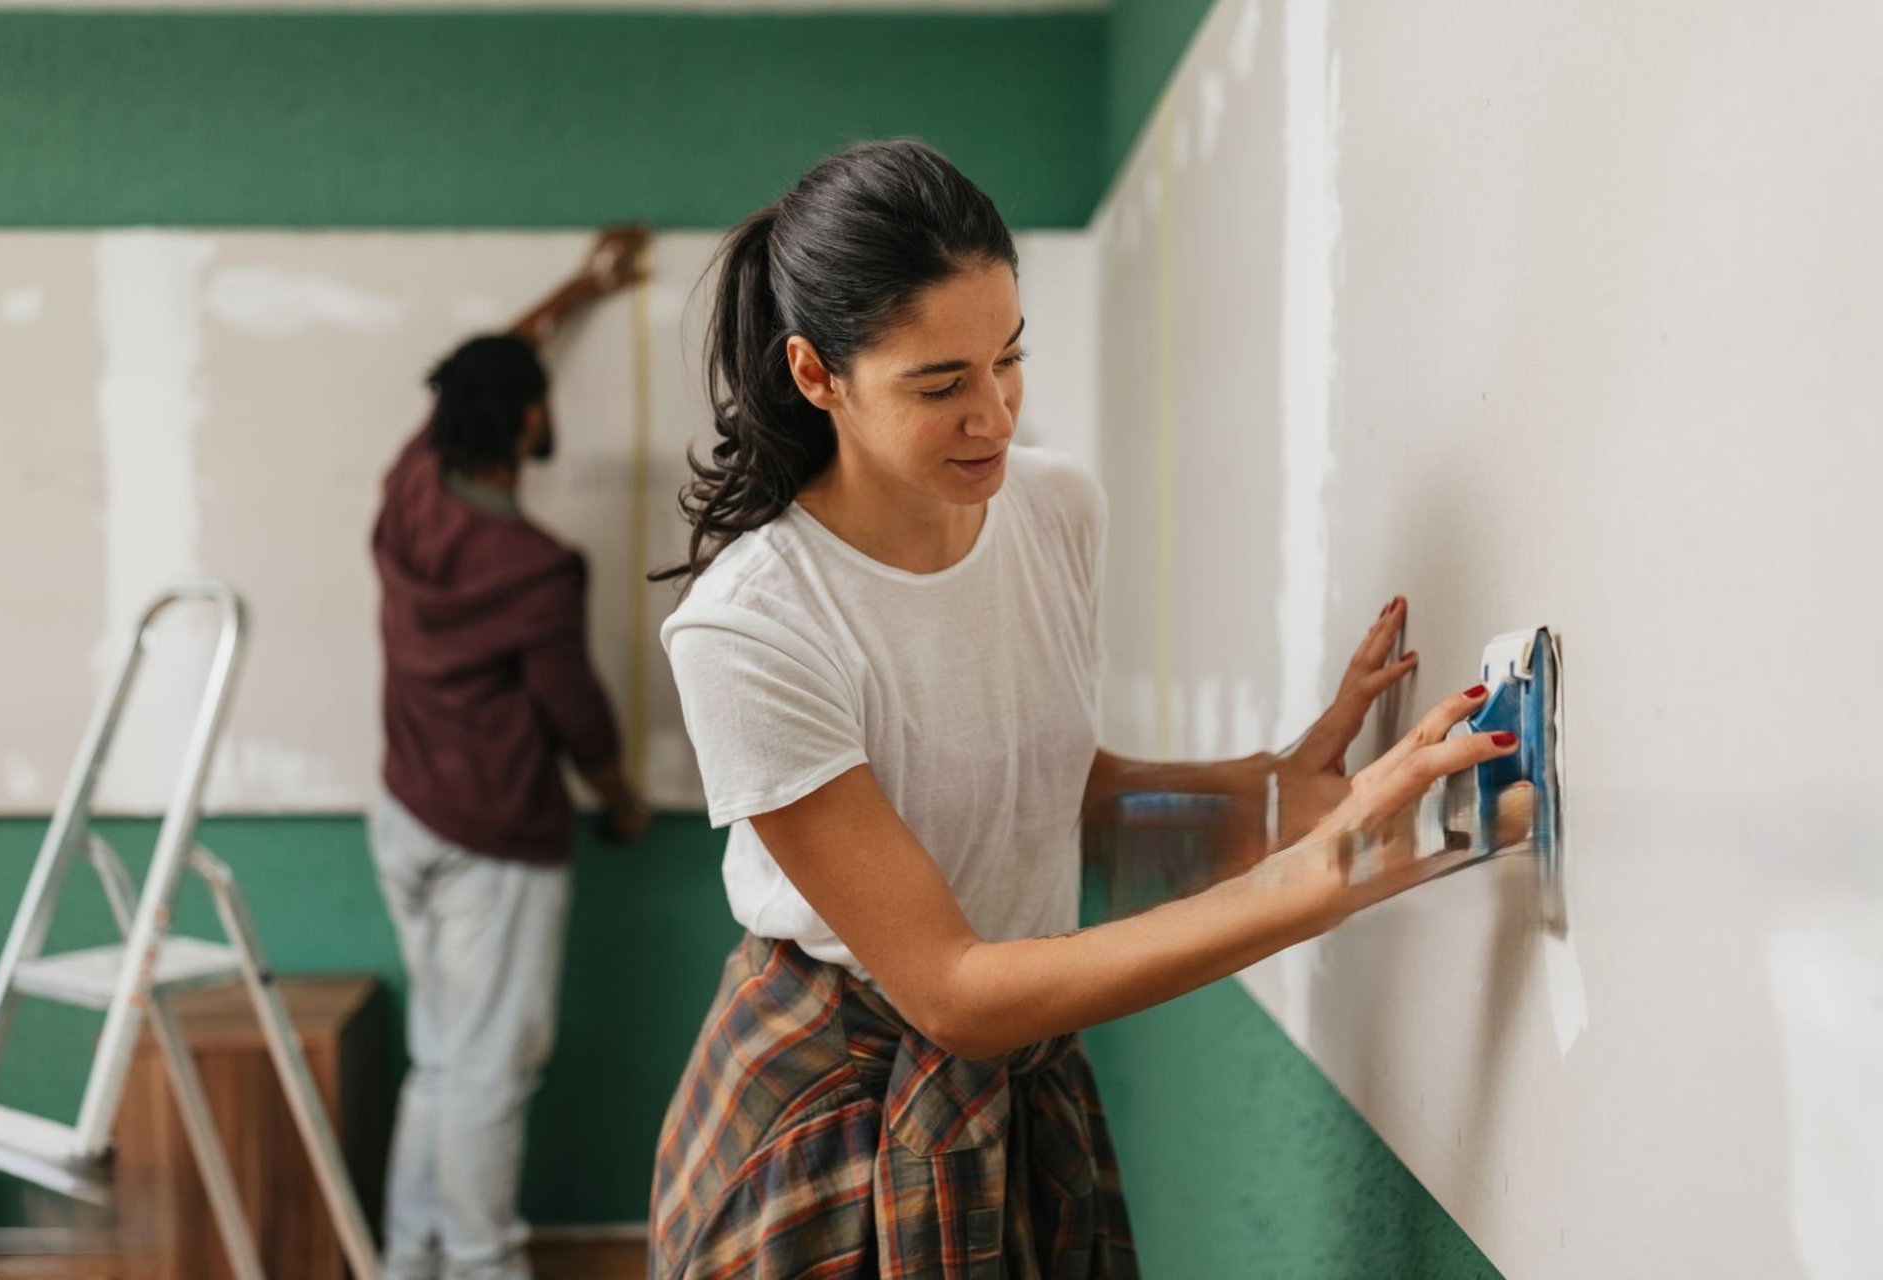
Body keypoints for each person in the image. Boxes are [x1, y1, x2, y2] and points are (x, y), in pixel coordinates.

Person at [647, 141, 1516, 1278]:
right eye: (939, 383)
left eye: (1008, 359)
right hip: (840, 1110)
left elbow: (1043, 783)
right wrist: (1307, 882)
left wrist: (1271, 794)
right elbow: (952, 989)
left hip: (1023, 1076)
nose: (994, 414)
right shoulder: (750, 625)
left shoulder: (1053, 508)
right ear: (818, 376)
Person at [368, 227, 652, 1280]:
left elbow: (492, 356)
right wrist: (620, 794)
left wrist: (580, 287)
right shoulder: (535, 567)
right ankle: (484, 1265)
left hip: (401, 815)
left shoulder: (409, 491)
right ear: (530, 416)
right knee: (488, 1071)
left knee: (441, 1063)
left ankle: (413, 1261)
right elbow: (577, 713)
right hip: (491, 841)